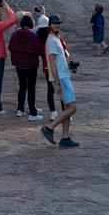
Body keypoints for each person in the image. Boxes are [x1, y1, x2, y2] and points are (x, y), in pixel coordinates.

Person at [38, 16, 80, 148]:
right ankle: (49, 128)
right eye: (55, 24)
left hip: (63, 76)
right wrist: (56, 83)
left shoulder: (56, 39)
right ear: (50, 25)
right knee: (73, 108)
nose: (57, 26)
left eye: (58, 24)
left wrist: (70, 67)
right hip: (61, 79)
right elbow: (52, 63)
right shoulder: (51, 41)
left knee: (67, 108)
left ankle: (65, 138)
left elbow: (58, 62)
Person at [8, 14, 43, 120]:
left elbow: (10, 47)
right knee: (31, 88)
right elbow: (38, 51)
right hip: (31, 64)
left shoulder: (15, 35)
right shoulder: (33, 36)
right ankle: (32, 111)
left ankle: (20, 109)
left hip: (19, 64)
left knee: (22, 86)